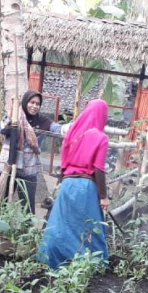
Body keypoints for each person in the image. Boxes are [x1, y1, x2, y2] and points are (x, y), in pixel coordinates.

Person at [38, 100, 110, 269]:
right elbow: (99, 170)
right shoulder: (101, 138)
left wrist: (61, 185)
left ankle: (50, 260)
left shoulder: (73, 134)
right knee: (90, 227)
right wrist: (104, 197)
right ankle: (91, 265)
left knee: (61, 225)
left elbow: (63, 164)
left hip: (68, 184)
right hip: (86, 187)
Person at [0, 90, 62, 212]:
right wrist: (10, 117)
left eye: (37, 104)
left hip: (29, 168)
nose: (35, 106)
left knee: (28, 207)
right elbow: (0, 129)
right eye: (32, 102)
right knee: (2, 203)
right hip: (8, 165)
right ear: (25, 102)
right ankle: (0, 230)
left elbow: (57, 129)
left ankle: (27, 228)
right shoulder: (15, 117)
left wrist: (72, 128)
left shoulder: (42, 121)